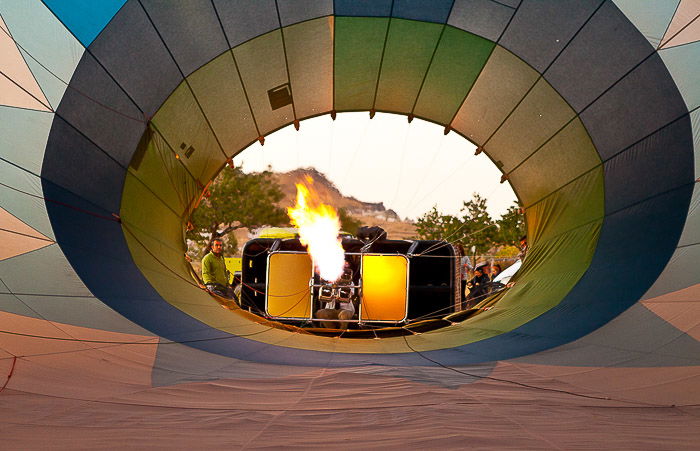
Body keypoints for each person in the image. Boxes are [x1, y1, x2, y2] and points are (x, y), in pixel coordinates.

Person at [315, 261, 357, 329]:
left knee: (343, 315)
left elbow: (350, 295)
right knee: (320, 313)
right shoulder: (328, 282)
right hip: (331, 309)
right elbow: (323, 293)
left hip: (346, 309)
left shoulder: (349, 282)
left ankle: (342, 332)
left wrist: (339, 290)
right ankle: (331, 330)